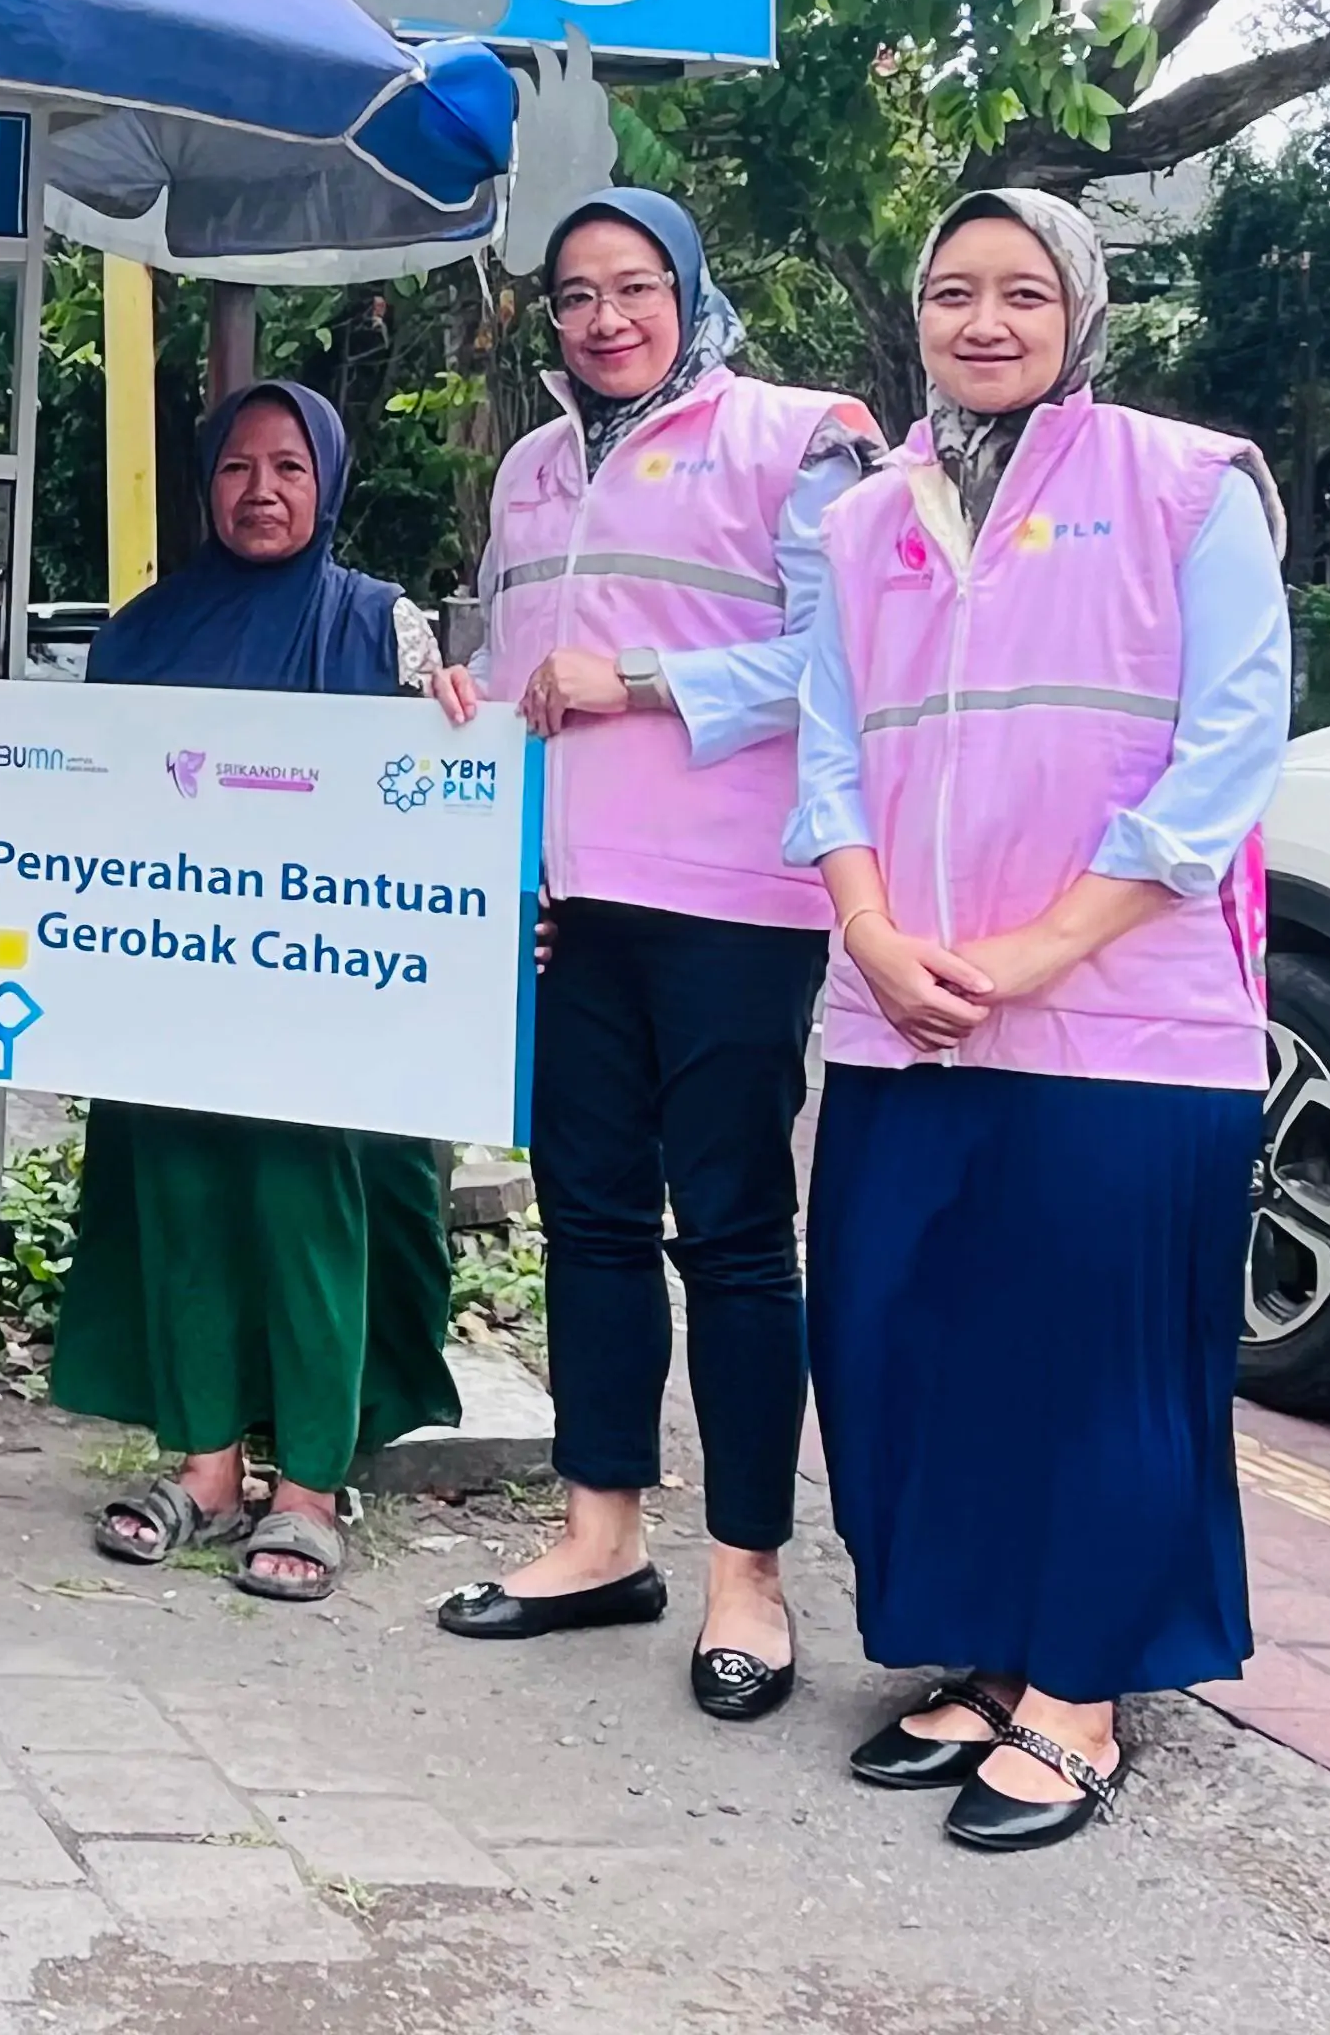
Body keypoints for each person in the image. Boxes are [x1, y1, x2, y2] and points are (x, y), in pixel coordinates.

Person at [797, 189, 1286, 1854]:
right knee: (907, 1342)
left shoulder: (1186, 483)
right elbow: (829, 752)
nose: (984, 320)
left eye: (1022, 291)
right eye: (954, 290)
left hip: (1125, 1027)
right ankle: (986, 1655)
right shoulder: (872, 514)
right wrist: (871, 931)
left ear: (1081, 313)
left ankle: (1077, 1688)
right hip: (905, 1014)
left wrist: (1039, 949)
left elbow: (1226, 752)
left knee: (1096, 1361)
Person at [431, 193, 878, 1721]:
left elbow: (846, 658)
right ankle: (599, 1535)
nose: (605, 318)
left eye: (634, 288)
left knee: (739, 1237)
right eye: (575, 295)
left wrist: (634, 677)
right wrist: (464, 703)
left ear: (690, 293)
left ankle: (747, 1576)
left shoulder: (800, 439)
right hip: (572, 905)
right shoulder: (533, 466)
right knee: (591, 1224)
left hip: (736, 904)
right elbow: (514, 670)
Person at [54, 381, 478, 1605]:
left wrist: (460, 728)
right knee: (182, 1201)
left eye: (290, 467)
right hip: (170, 989)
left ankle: (309, 1487)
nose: (262, 492)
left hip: (323, 998)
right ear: (206, 484)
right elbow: (80, 797)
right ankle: (205, 1470)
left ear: (328, 481)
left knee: (306, 1212)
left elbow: (441, 796)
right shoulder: (141, 636)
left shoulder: (380, 627)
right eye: (238, 468)